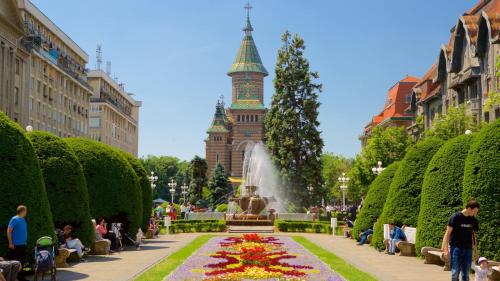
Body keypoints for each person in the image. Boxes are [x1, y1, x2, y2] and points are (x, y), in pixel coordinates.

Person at [442, 199, 480, 281]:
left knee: (466, 274)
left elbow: (473, 235)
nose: (475, 214)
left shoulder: (473, 219)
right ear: (469, 208)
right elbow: (447, 234)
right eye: (475, 211)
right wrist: (445, 250)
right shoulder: (455, 217)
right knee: (455, 273)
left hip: (468, 249)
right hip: (456, 248)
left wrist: (476, 250)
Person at [6, 205, 28, 281]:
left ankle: (21, 278)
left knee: (22, 261)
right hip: (16, 245)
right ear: (22, 211)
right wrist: (10, 243)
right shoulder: (14, 219)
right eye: (25, 211)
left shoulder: (23, 219)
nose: (26, 212)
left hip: (23, 244)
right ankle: (14, 278)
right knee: (16, 262)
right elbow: (9, 231)